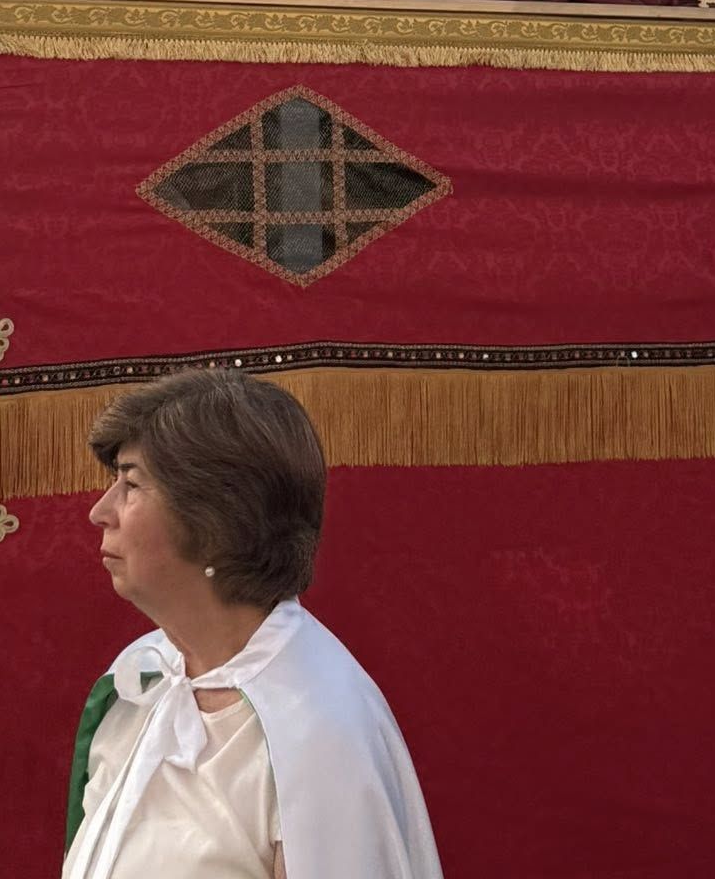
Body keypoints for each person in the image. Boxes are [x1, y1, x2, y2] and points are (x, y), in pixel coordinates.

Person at [64, 369, 442, 879]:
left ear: (217, 517)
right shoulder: (142, 680)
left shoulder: (317, 734)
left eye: (131, 483)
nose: (99, 512)